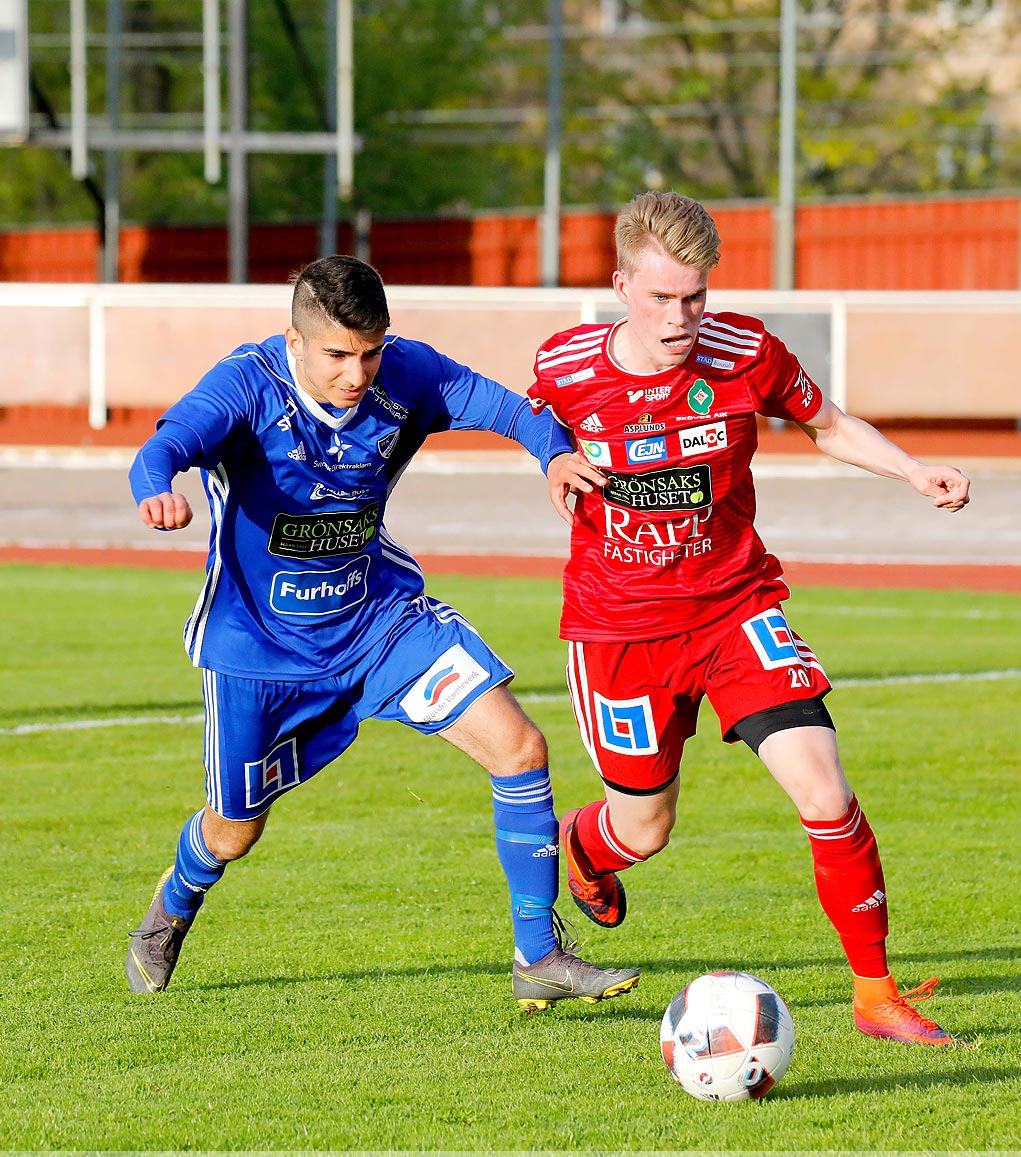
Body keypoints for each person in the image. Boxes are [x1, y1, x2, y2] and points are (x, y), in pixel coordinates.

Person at [125, 254, 638, 1012]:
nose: (358, 373)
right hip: (260, 651)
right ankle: (172, 906)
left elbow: (510, 408)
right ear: (295, 344)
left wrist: (555, 452)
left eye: (369, 352)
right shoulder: (247, 384)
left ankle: (539, 954)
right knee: (234, 832)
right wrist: (157, 489)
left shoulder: (407, 374)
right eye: (337, 355)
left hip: (378, 624)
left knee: (521, 747)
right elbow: (164, 445)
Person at [527, 192, 971, 1045]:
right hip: (621, 630)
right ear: (621, 285)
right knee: (644, 827)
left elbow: (828, 425)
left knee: (825, 787)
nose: (682, 317)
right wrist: (553, 462)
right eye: (661, 298)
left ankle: (876, 997)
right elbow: (535, 420)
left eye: (695, 297)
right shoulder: (567, 364)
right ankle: (585, 846)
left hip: (735, 606)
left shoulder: (747, 352)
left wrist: (914, 473)